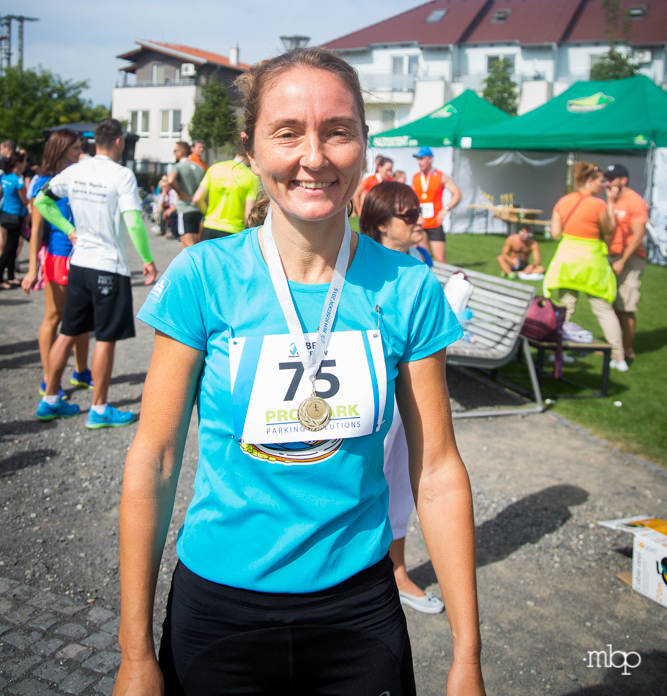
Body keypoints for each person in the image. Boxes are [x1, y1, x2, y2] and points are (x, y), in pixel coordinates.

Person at [115, 47, 485, 696]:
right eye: (287, 133)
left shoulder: (407, 288)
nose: (313, 156)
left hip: (358, 611)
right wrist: (135, 656)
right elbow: (156, 460)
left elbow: (436, 471)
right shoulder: (203, 276)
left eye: (337, 131)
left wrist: (467, 657)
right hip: (220, 610)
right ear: (251, 150)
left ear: (364, 146)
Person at [33, 118, 158, 427]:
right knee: (105, 337)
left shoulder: (76, 170)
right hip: (108, 266)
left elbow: (41, 200)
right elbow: (133, 220)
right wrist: (147, 258)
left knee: (68, 331)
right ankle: (99, 409)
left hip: (79, 264)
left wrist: (67, 228)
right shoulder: (121, 175)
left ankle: (50, 400)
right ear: (118, 142)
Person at [359, 180, 444, 614]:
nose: (418, 221)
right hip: (375, 391)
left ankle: (397, 570)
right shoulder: (362, 269)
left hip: (410, 388)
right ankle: (381, 570)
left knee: (404, 479)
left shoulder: (420, 263)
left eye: (418, 212)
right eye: (407, 215)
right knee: (375, 477)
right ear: (379, 224)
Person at [21, 128, 91, 394]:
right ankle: (49, 379)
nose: (81, 152)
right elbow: (36, 230)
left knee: (81, 316)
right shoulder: (43, 182)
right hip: (59, 256)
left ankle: (81, 371)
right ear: (62, 149)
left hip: (82, 255)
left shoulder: (77, 175)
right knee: (54, 316)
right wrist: (32, 269)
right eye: (76, 148)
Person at [544, 162, 627, 372]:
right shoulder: (598, 205)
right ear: (590, 181)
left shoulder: (563, 201)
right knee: (603, 310)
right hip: (591, 262)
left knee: (565, 308)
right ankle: (619, 357)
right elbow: (609, 229)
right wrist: (611, 203)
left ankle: (555, 353)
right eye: (601, 181)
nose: (604, 185)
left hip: (567, 260)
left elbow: (555, 232)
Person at [604, 162, 649, 362]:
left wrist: (622, 260)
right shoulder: (613, 201)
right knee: (611, 305)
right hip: (612, 256)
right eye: (607, 179)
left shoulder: (635, 202)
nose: (608, 183)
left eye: (612, 179)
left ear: (623, 180)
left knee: (626, 306)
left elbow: (638, 236)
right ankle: (614, 346)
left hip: (630, 259)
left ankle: (627, 349)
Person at [192, 143, 259, 241]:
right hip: (234, 230)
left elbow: (197, 199)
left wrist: (208, 214)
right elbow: (248, 214)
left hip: (210, 226)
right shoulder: (251, 177)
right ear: (251, 154)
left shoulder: (214, 168)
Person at [411, 146, 461, 264]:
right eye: (418, 159)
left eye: (422, 159)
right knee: (424, 259)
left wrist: (446, 209)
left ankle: (443, 276)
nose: (419, 162)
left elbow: (457, 194)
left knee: (440, 260)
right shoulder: (416, 177)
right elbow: (412, 199)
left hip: (435, 223)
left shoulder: (440, 176)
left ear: (430, 159)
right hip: (421, 223)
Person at [167, 142, 205, 248]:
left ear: (180, 152)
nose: (174, 153)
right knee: (190, 243)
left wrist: (180, 193)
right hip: (198, 209)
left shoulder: (178, 166)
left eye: (175, 151)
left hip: (185, 208)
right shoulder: (200, 168)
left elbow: (170, 180)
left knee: (189, 244)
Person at [0, 150, 29, 288]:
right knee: (9, 248)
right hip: (15, 216)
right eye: (24, 161)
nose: (25, 164)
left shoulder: (5, 176)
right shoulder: (18, 180)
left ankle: (11, 276)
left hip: (5, 213)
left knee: (10, 246)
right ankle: (1, 278)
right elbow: (25, 200)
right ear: (18, 163)